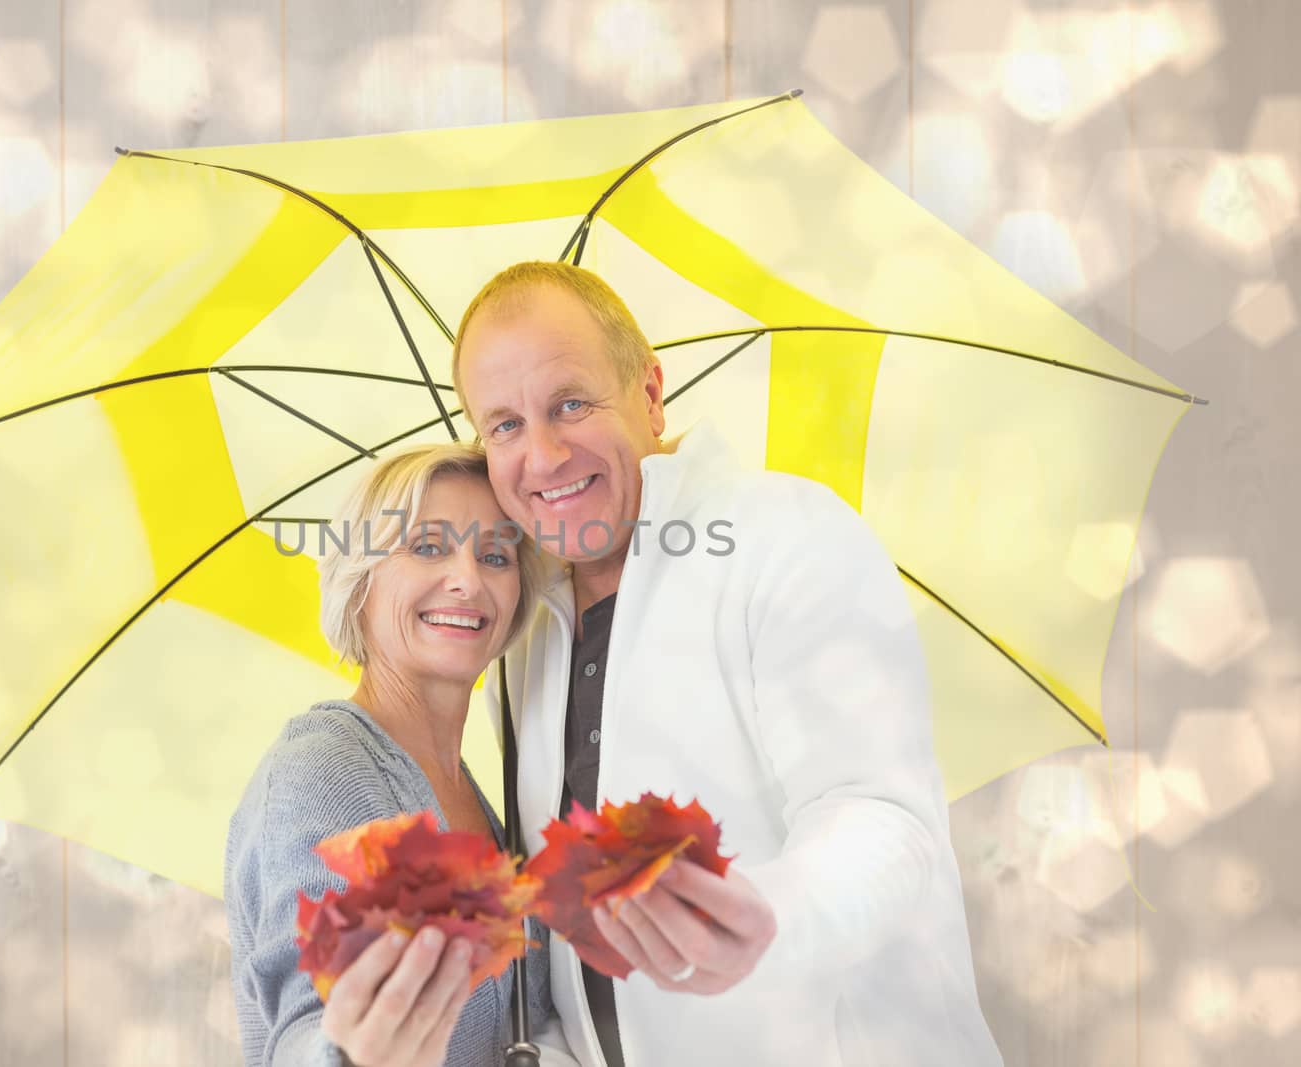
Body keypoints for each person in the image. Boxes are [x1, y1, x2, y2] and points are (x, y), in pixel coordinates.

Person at [453, 262, 1004, 1066]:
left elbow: (884, 818)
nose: (542, 454)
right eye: (503, 424)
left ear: (648, 393)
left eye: (571, 403)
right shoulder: (523, 630)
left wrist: (764, 915)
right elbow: (583, 962)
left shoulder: (788, 535)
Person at [224, 442, 577, 1066]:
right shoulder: (325, 769)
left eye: (495, 555)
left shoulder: (484, 796)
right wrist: (352, 1054)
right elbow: (309, 1024)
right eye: (428, 547)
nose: (469, 579)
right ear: (360, 580)